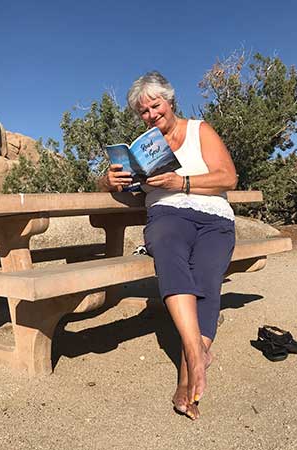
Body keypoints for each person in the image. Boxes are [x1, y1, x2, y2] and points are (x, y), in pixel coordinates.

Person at [98, 71, 238, 420]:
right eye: (143, 112)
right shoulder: (142, 151)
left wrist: (182, 181)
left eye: (155, 105)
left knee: (206, 279)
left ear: (170, 101)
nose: (151, 115)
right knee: (168, 248)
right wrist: (108, 180)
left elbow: (228, 177)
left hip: (214, 218)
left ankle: (185, 376)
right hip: (168, 218)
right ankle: (196, 354)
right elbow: (120, 189)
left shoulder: (198, 130)